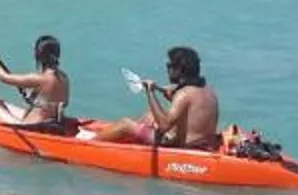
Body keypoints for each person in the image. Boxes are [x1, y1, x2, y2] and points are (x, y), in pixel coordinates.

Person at [86, 45, 220, 148]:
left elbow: (164, 126)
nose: (168, 69)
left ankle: (88, 145)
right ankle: (134, 139)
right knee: (149, 116)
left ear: (179, 69)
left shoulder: (183, 94)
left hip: (181, 147)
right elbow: (183, 105)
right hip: (202, 143)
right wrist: (159, 89)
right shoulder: (207, 91)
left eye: (169, 66)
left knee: (125, 124)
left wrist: (150, 93)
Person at [0, 34, 73, 133]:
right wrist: (33, 99)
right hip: (48, 124)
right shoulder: (64, 78)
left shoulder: (39, 79)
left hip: (29, 128)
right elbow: (55, 103)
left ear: (39, 56)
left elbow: (3, 77)